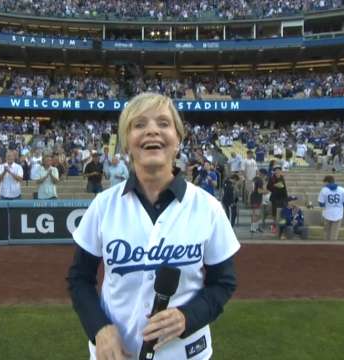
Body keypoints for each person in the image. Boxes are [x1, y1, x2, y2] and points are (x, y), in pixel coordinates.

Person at [67, 93, 239, 360]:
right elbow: (79, 279)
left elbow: (223, 283)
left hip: (186, 353)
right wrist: (99, 329)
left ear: (178, 140)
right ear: (126, 144)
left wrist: (187, 317)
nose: (152, 131)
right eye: (139, 125)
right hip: (116, 354)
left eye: (163, 123)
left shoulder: (208, 207)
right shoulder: (103, 206)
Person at [318, 175, 344, 241]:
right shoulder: (342, 189)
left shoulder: (324, 190)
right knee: (334, 233)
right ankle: (332, 247)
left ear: (327, 182)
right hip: (338, 214)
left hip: (327, 213)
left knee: (326, 232)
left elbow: (321, 204)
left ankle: (325, 246)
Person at [267, 166, 288, 233]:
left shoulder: (282, 178)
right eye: (277, 170)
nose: (278, 171)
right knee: (274, 213)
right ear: (275, 171)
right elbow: (268, 187)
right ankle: (274, 227)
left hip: (282, 197)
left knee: (282, 213)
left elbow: (284, 188)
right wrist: (275, 185)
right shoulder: (272, 178)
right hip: (275, 198)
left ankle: (281, 228)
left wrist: (286, 198)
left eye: (279, 170)